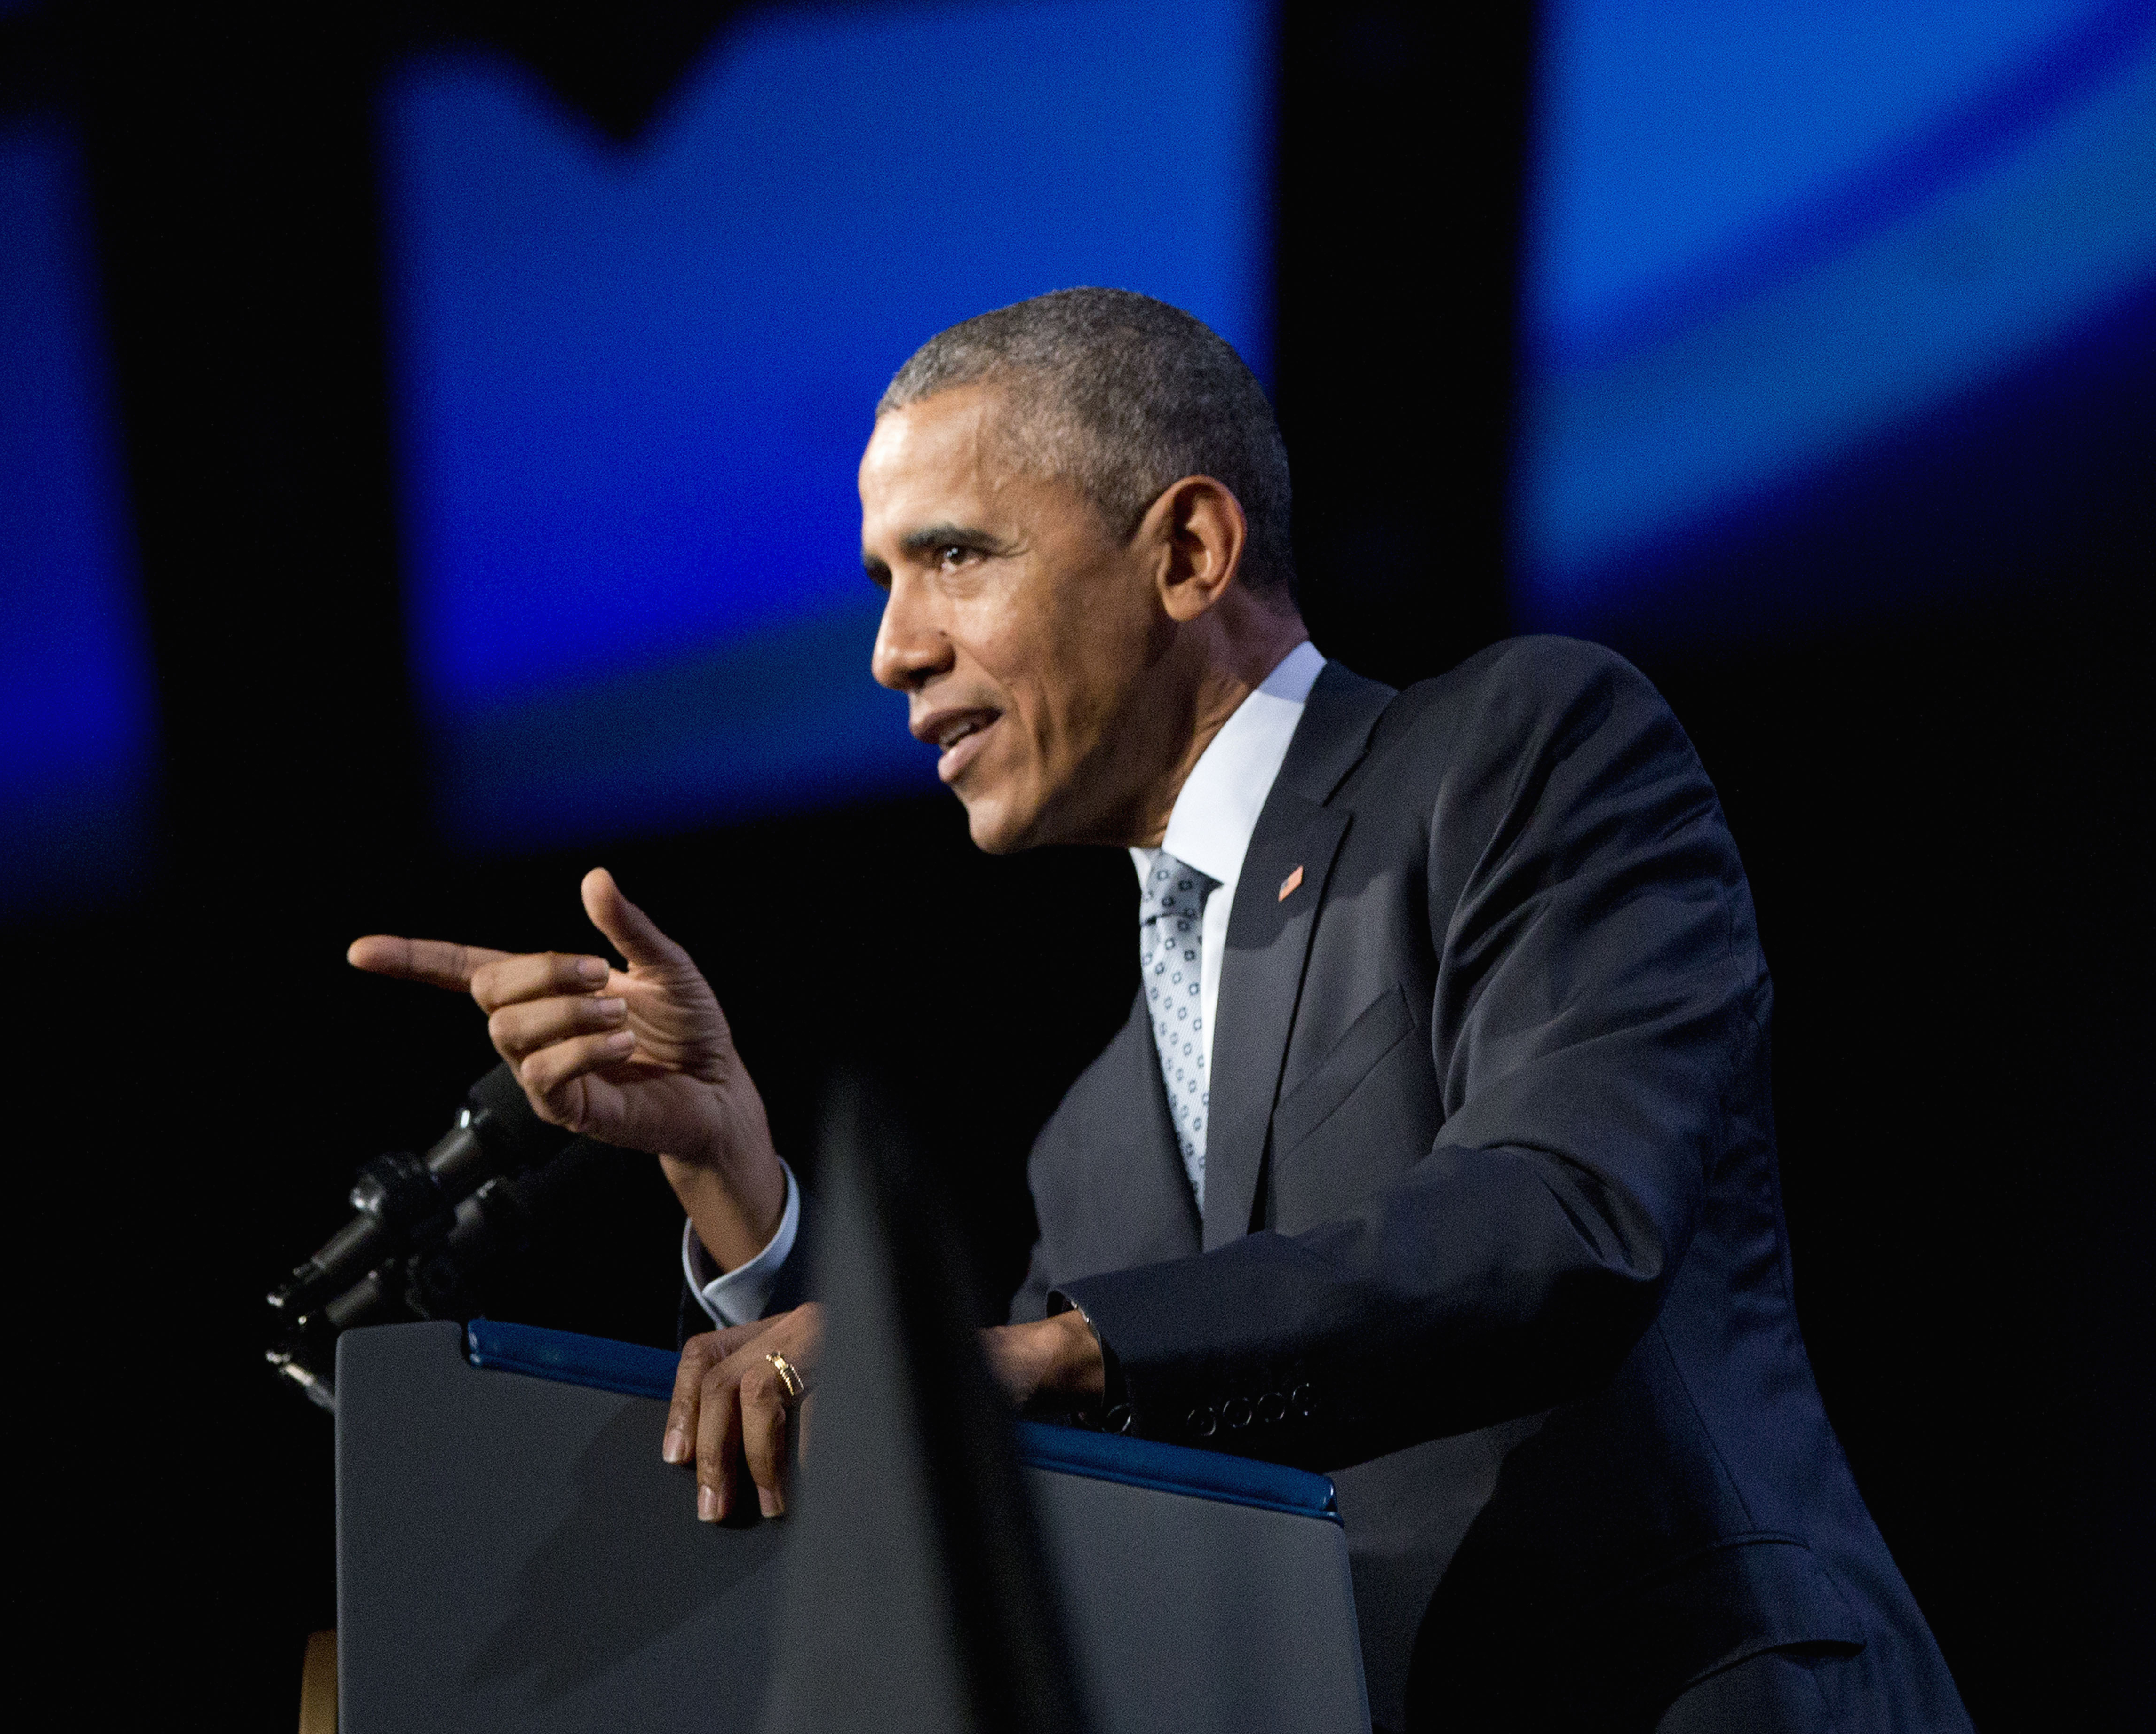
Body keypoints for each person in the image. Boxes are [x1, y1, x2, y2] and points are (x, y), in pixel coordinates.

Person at [349, 290, 1970, 1733]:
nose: (892, 651)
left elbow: (1565, 1219)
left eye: (955, 557)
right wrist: (735, 1177)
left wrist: (1066, 1348)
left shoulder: (1520, 756)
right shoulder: (1098, 1134)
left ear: (1187, 552)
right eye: (879, 580)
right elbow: (1011, 1502)